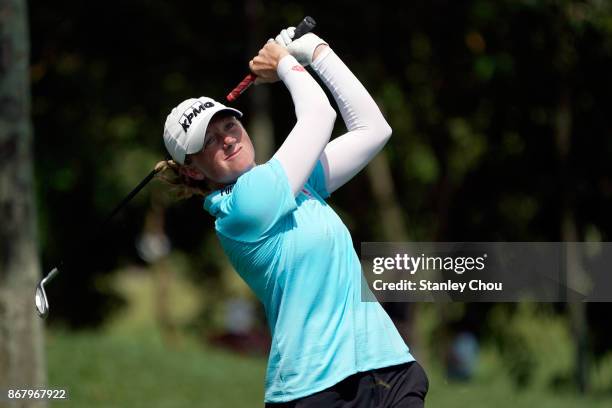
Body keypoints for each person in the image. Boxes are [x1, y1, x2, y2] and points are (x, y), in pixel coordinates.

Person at [158, 28, 429, 407]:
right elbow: (319, 115)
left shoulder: (295, 183)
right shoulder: (241, 209)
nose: (227, 139)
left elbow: (372, 129)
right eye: (208, 142)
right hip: (317, 391)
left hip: (387, 370)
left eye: (228, 125)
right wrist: (285, 62)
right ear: (193, 172)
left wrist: (315, 51)